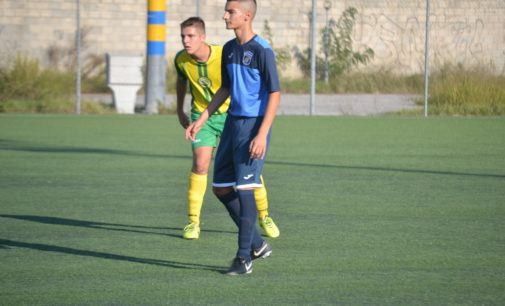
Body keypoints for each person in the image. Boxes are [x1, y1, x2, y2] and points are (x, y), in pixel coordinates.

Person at [186, 0, 281, 275]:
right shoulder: (228, 49)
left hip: (254, 126)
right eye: (226, 10)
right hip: (231, 123)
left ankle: (244, 258)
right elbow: (226, 88)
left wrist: (262, 134)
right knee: (221, 188)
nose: (225, 15)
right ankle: (257, 244)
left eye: (231, 11)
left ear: (247, 16)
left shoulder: (262, 50)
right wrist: (202, 118)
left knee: (246, 188)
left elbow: (275, 93)